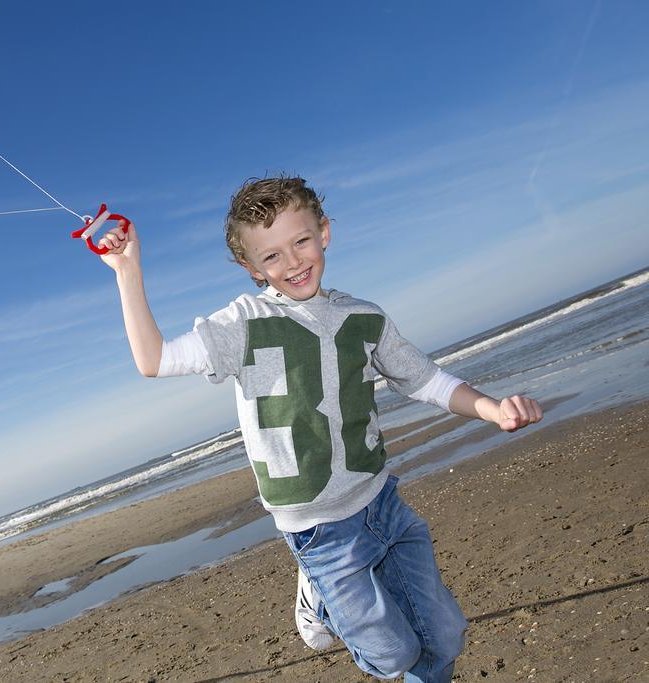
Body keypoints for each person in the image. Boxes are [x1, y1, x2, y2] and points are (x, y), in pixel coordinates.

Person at [97, 176, 543, 682]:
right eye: (271, 256)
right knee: (391, 656)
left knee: (443, 637)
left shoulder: (363, 317)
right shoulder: (244, 323)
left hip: (382, 503)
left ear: (325, 232)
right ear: (250, 268)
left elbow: (424, 380)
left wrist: (491, 408)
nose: (292, 262)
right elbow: (153, 360)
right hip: (319, 532)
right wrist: (127, 270)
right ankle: (319, 599)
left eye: (301, 241)